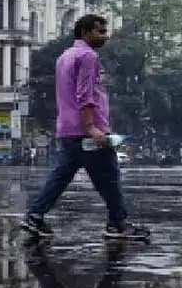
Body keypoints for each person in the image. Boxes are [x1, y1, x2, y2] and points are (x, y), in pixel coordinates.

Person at [21, 15, 149, 240]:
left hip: (69, 129)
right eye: (100, 31)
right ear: (85, 32)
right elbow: (85, 95)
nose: (105, 36)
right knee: (109, 177)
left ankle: (35, 215)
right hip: (88, 131)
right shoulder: (87, 56)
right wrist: (91, 127)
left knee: (61, 176)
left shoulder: (64, 56)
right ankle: (117, 224)